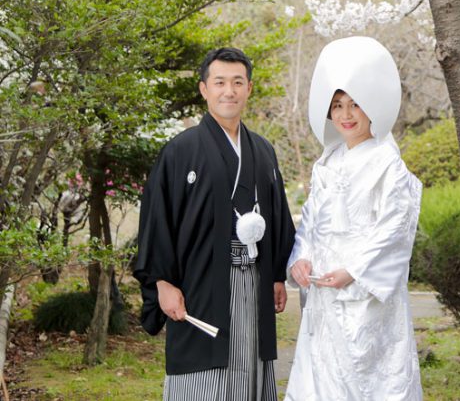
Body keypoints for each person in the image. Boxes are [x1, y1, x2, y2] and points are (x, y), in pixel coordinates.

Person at [134, 47, 296, 401]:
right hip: (199, 285)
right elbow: (158, 219)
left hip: (253, 278)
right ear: (204, 89)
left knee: (250, 365)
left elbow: (279, 217)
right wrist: (162, 282)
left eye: (237, 82)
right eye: (220, 82)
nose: (229, 91)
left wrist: (277, 275)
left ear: (249, 88)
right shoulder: (180, 150)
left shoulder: (264, 151)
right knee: (203, 374)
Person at [286, 36, 423, 401]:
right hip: (325, 289)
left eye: (355, 104)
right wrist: (301, 258)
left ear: (371, 106)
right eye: (337, 105)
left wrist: (356, 271)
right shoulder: (326, 163)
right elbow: (312, 222)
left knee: (372, 378)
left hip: (366, 291)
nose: (346, 115)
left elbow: (395, 228)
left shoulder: (388, 163)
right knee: (322, 374)